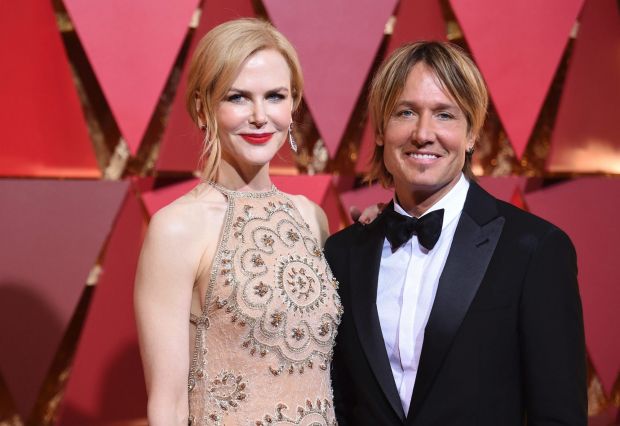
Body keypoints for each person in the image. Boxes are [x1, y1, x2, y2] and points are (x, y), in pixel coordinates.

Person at [324, 41, 587, 425]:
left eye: (445, 115)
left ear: (471, 135)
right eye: (406, 112)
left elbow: (558, 415)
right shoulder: (343, 254)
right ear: (380, 131)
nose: (423, 133)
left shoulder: (534, 250)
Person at [134, 18, 341, 426]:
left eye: (276, 96)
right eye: (238, 97)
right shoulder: (177, 228)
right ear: (202, 106)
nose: (260, 116)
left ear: (294, 104)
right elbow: (167, 406)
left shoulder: (310, 216)